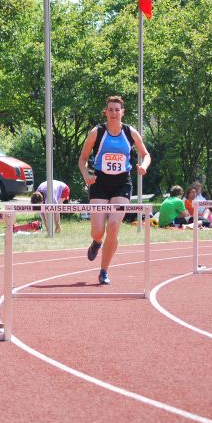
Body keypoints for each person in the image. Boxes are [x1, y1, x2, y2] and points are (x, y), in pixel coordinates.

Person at [77, 95, 151, 285]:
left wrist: (144, 166)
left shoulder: (130, 132)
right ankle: (97, 242)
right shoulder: (97, 132)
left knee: (114, 226)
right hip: (99, 183)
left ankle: (104, 270)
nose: (114, 113)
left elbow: (145, 154)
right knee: (98, 231)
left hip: (122, 184)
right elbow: (83, 159)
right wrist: (86, 174)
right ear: (106, 112)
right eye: (110, 109)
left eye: (117, 110)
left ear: (122, 112)